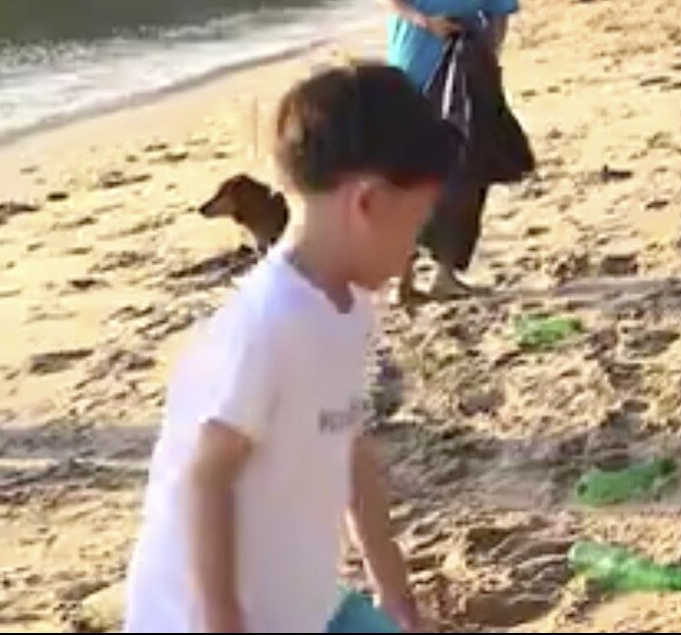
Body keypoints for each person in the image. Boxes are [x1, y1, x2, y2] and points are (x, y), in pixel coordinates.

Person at [121, 61, 460, 633]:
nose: (416, 247)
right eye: (417, 222)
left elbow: (350, 452)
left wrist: (393, 589)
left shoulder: (348, 311)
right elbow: (207, 479)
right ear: (368, 204)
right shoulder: (268, 324)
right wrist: (222, 621)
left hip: (298, 602)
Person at [373, 0, 522, 301]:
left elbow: (498, 10)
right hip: (413, 67)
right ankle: (402, 278)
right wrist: (425, 21)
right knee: (409, 175)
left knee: (464, 174)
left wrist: (490, 54)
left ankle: (446, 273)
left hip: (466, 72)